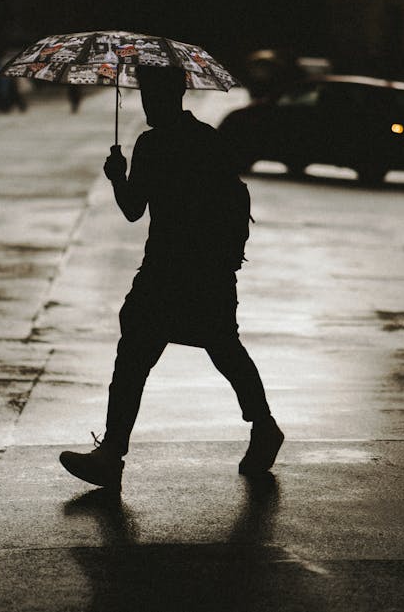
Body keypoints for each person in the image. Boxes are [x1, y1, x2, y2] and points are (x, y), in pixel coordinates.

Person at [60, 65, 284, 491]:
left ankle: (112, 454)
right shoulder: (209, 140)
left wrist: (117, 178)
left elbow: (132, 210)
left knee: (138, 358)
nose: (146, 103)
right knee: (220, 349)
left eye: (151, 95)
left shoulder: (153, 144)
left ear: (169, 96)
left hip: (167, 271)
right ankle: (264, 427)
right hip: (208, 272)